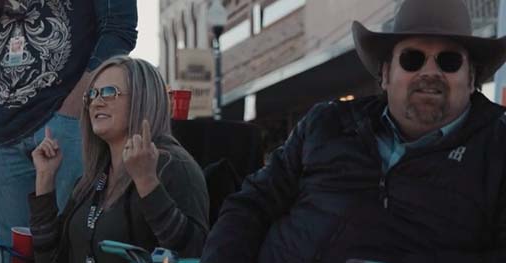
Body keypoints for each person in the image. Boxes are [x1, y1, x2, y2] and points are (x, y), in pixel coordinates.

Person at [202, 0, 506, 262]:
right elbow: (251, 204)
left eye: (449, 60)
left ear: (471, 78)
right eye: (412, 59)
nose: (429, 72)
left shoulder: (497, 148)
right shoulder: (327, 123)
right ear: (385, 74)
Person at [0, 0, 138, 245]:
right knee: (14, 254)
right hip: (3, 136)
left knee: (70, 247)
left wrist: (75, 107)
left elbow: (119, 29)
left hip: (67, 125)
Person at [30, 56, 208, 262]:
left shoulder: (173, 165)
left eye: (109, 92)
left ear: (143, 99)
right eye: (92, 94)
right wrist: (45, 179)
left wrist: (147, 182)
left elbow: (196, 252)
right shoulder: (92, 178)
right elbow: (49, 258)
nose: (96, 102)